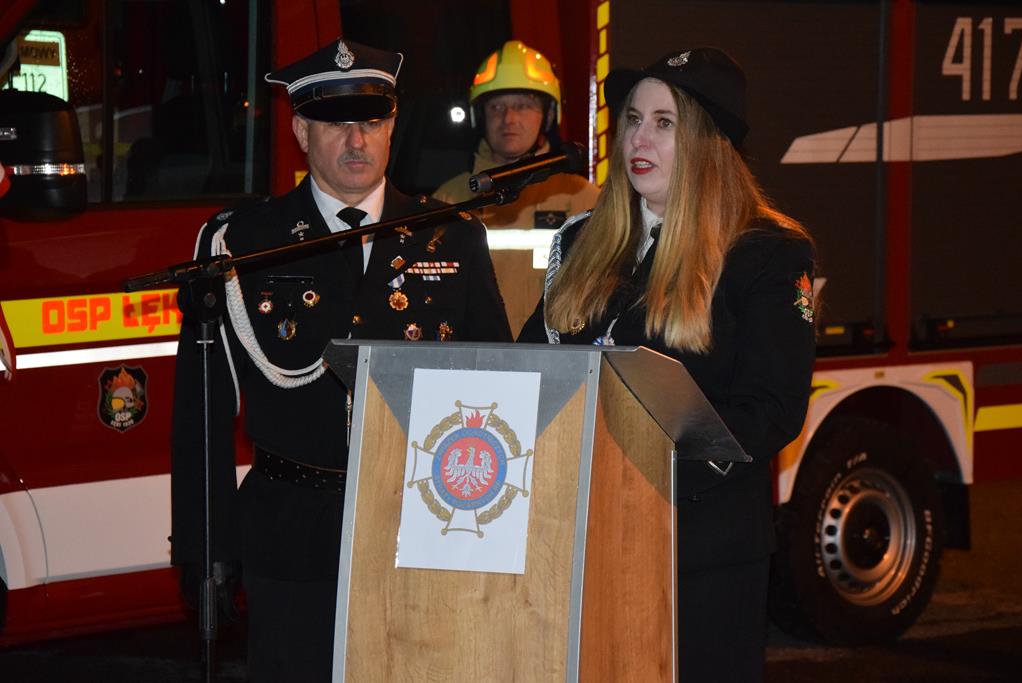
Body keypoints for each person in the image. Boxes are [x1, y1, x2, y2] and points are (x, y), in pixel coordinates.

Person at [170, 39, 511, 682]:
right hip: (290, 532)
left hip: (422, 529)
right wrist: (204, 546)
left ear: (392, 126)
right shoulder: (244, 242)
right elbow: (202, 411)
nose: (357, 140)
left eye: (372, 121)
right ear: (301, 130)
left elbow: (498, 396)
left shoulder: (451, 236)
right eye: (335, 122)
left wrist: (495, 533)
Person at [518, 47, 816, 681]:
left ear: (707, 142)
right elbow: (530, 367)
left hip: (700, 548)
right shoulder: (585, 240)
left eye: (663, 122)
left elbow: (771, 410)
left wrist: (647, 475)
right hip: (583, 535)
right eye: (632, 119)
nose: (638, 139)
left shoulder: (764, 253)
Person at [433, 40, 599, 336]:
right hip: (472, 358)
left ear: (548, 115)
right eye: (497, 107)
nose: (509, 119)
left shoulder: (582, 199)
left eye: (523, 105)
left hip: (551, 359)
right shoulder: (448, 200)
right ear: (479, 116)